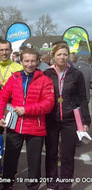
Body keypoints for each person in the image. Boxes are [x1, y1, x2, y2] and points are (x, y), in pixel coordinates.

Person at [0, 48, 55, 190]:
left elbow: (48, 103)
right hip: (15, 125)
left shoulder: (45, 80)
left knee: (34, 162)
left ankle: (33, 186)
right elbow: (2, 97)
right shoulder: (14, 77)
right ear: (21, 61)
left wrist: (26, 110)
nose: (30, 64)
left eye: (33, 60)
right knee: (10, 158)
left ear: (38, 61)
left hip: (35, 127)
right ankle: (7, 184)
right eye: (26, 60)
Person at [44, 43, 91, 190]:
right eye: (59, 54)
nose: (62, 57)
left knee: (68, 155)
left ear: (68, 56)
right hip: (51, 119)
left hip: (70, 120)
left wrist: (85, 120)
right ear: (53, 56)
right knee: (51, 154)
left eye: (65, 54)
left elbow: (82, 98)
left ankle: (65, 185)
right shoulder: (47, 74)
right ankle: (52, 184)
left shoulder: (76, 74)